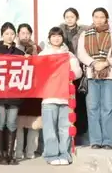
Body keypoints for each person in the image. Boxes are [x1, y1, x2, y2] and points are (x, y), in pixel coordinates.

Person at [77, 7, 112, 150]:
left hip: (109, 74)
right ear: (92, 18)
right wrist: (93, 63)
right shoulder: (85, 34)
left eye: (101, 17)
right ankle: (96, 140)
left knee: (108, 107)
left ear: (106, 19)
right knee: (92, 108)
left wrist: (106, 63)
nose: (98, 19)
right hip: (92, 74)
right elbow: (81, 53)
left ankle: (108, 140)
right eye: (96, 17)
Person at [39, 27, 82, 165]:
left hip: (65, 96)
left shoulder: (68, 54)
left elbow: (78, 72)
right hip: (49, 96)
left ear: (62, 38)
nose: (56, 38)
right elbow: (37, 72)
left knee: (65, 127)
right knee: (50, 128)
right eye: (53, 36)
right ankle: (51, 155)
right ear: (49, 38)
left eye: (59, 36)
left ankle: (65, 154)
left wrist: (71, 72)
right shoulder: (43, 54)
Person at [0, 22, 25, 165]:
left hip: (15, 94)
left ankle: (10, 153)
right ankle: (0, 153)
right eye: (6, 34)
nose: (9, 36)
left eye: (12, 34)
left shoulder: (20, 53)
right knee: (1, 122)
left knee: (11, 122)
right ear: (2, 35)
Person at [14, 23, 41, 160]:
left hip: (34, 89)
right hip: (17, 89)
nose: (25, 36)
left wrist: (34, 56)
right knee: (18, 123)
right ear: (18, 34)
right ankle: (18, 151)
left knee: (34, 123)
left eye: (27, 33)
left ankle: (31, 151)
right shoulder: (13, 49)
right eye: (22, 33)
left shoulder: (37, 49)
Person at [61, 7, 87, 145]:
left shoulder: (83, 31)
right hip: (64, 71)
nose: (69, 19)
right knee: (66, 103)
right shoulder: (60, 31)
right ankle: (66, 133)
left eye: (72, 17)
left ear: (77, 18)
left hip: (79, 70)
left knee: (80, 103)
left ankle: (80, 133)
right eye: (67, 17)